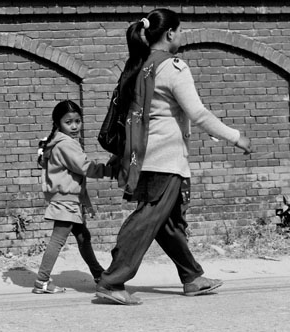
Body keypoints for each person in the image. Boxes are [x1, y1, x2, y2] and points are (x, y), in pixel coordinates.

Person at [95, 9, 252, 305]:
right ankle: (112, 280)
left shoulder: (139, 65)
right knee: (147, 218)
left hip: (142, 158)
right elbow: (198, 114)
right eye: (179, 31)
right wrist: (235, 136)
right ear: (169, 34)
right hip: (165, 160)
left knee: (165, 224)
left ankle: (192, 277)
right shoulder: (173, 67)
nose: (181, 36)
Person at [33, 100, 117, 294]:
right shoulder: (66, 145)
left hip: (69, 199)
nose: (74, 126)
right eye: (68, 122)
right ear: (58, 123)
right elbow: (85, 167)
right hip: (65, 200)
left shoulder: (61, 142)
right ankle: (42, 281)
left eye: (77, 121)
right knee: (58, 240)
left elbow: (75, 176)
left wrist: (85, 203)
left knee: (83, 236)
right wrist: (110, 170)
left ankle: (98, 274)